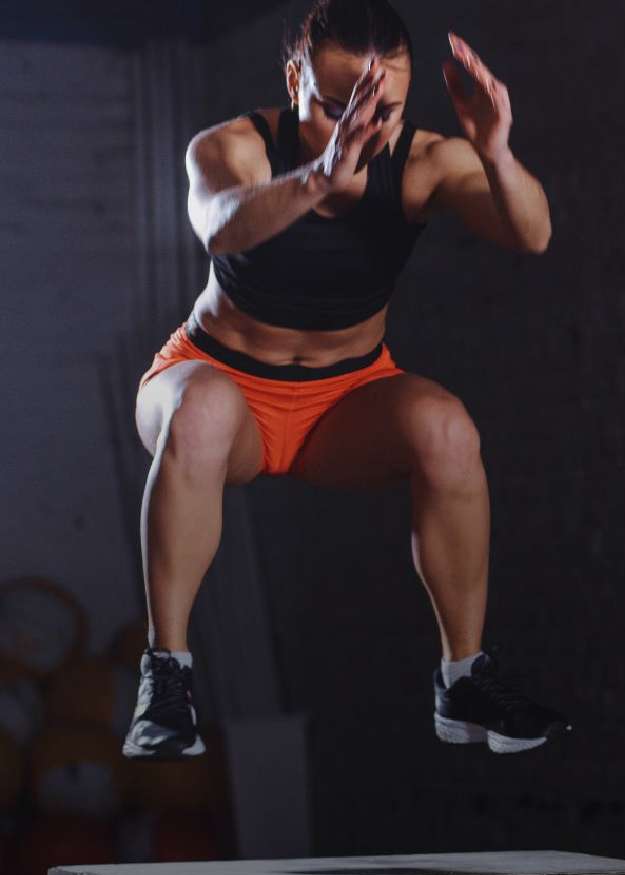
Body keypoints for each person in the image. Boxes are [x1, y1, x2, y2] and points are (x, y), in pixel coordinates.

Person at [122, 0, 572, 761]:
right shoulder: (233, 146)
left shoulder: (425, 161)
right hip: (217, 385)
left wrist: (495, 151)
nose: (363, 128)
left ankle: (463, 677)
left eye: (383, 110)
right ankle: (166, 678)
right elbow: (221, 228)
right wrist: (321, 176)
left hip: (343, 404)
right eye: (337, 108)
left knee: (447, 427)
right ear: (293, 82)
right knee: (201, 408)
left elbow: (533, 235)